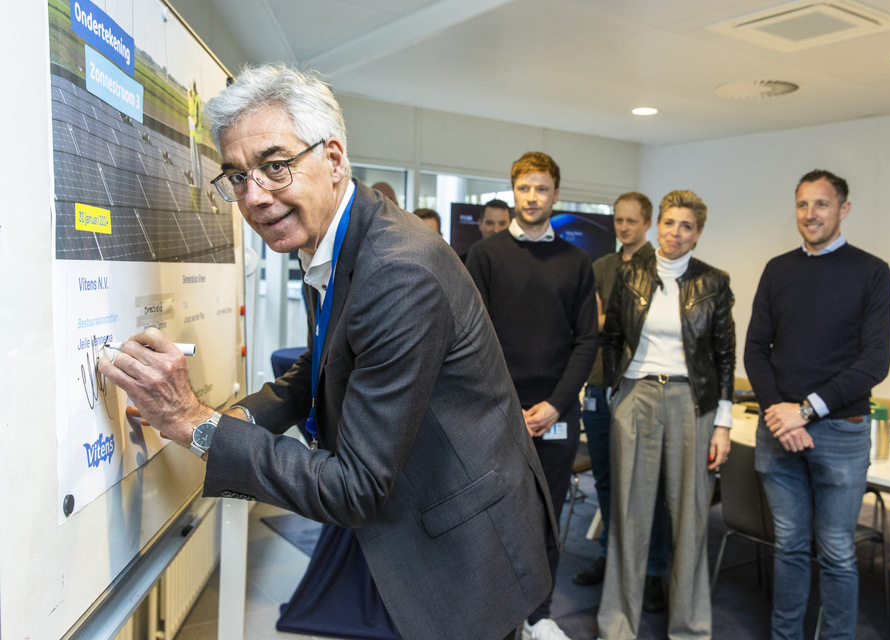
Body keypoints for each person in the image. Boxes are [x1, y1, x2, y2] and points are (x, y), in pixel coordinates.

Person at [97, 64, 553, 640]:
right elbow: (323, 361)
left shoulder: (397, 271)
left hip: (466, 546)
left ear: (333, 158)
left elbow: (354, 487)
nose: (254, 198)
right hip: (425, 515)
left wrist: (196, 423)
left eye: (275, 166)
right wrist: (236, 418)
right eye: (236, 176)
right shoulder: (331, 234)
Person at [744, 169, 890, 640]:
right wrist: (779, 413)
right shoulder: (778, 269)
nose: (810, 214)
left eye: (822, 204)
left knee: (836, 552)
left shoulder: (872, 272)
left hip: (840, 432)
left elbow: (875, 362)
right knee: (788, 547)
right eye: (803, 204)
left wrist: (804, 411)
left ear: (843, 210)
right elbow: (755, 350)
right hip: (778, 430)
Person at [466, 151, 598, 640]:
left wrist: (556, 405)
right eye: (524, 188)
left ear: (556, 195)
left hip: (556, 412)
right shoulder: (485, 256)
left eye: (542, 189)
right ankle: (499, 615)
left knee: (548, 517)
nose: (533, 197)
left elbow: (587, 340)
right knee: (496, 517)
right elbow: (473, 338)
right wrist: (507, 407)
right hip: (497, 413)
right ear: (513, 191)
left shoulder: (577, 263)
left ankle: (538, 615)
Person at [597, 190, 735, 640]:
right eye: (670, 222)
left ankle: (690, 629)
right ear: (658, 224)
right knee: (629, 517)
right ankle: (618, 626)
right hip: (636, 397)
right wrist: (616, 393)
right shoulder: (630, 275)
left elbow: (724, 356)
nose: (676, 233)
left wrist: (723, 422)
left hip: (691, 402)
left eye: (686, 226)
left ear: (698, 233)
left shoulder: (714, 282)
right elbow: (611, 337)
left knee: (691, 519)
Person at [574, 192, 672, 614]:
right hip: (600, 385)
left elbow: (644, 326)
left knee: (649, 487)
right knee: (606, 481)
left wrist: (607, 320)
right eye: (618, 220)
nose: (623, 228)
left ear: (647, 223)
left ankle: (653, 570)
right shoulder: (601, 267)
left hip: (642, 389)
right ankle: (610, 557)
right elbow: (585, 325)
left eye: (631, 221)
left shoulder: (662, 267)